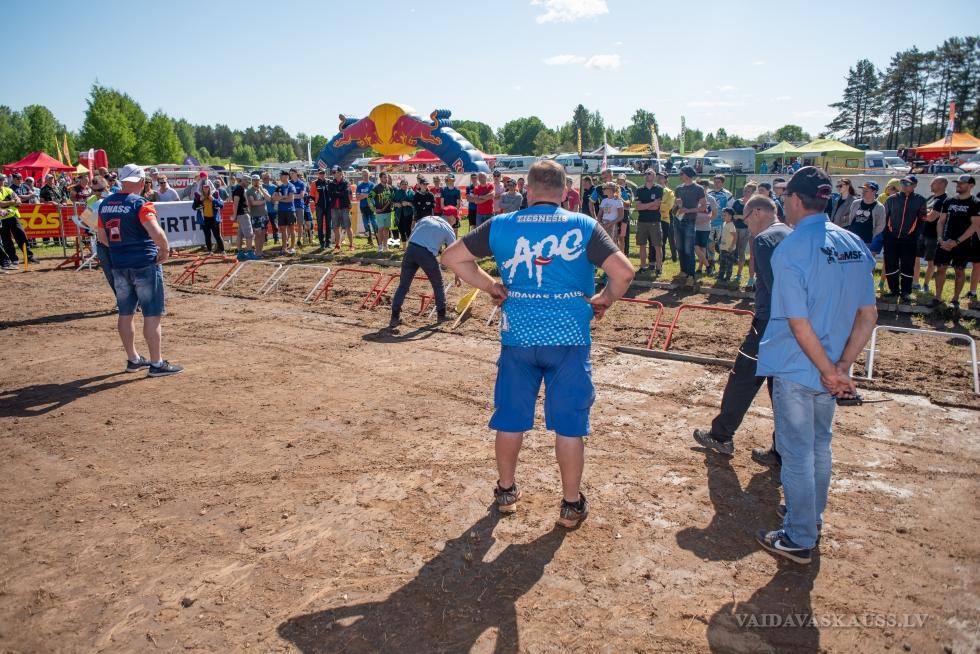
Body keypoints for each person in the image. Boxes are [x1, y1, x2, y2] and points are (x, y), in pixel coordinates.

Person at [442, 159, 635, 528]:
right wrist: (606, 298)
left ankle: (506, 491)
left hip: (518, 339)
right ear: (565, 192)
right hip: (569, 340)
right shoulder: (583, 225)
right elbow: (624, 272)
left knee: (510, 418)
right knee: (570, 426)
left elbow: (452, 258)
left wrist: (491, 286)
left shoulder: (501, 224)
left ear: (527, 191)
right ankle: (571, 505)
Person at [755, 166, 877, 564]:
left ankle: (799, 535)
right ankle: (810, 517)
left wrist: (828, 370)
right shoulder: (854, 243)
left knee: (797, 452)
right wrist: (841, 366)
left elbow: (798, 321)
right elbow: (868, 315)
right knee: (820, 445)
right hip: (833, 368)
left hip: (799, 366)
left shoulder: (791, 248)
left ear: (793, 199)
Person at [693, 195, 791, 460]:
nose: (747, 226)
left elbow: (775, 286)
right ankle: (783, 450)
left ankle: (721, 436)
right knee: (781, 389)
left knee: (742, 379)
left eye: (746, 220)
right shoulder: (790, 233)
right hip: (790, 325)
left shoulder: (764, 239)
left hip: (769, 323)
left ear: (757, 213)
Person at [96, 164, 183, 378]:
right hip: (144, 263)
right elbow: (155, 231)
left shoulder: (105, 204)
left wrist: (120, 249)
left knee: (125, 313)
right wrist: (165, 249)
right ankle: (156, 363)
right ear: (142, 182)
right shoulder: (140, 203)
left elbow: (102, 237)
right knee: (152, 314)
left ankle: (133, 359)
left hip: (119, 264)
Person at [387, 207, 458, 329]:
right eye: (456, 219)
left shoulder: (426, 218)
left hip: (410, 250)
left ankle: (394, 317)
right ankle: (441, 314)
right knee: (438, 284)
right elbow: (455, 252)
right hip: (426, 254)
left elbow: (413, 233)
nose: (455, 221)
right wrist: (457, 274)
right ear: (451, 217)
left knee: (403, 285)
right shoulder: (447, 228)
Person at [932, 175, 979, 309]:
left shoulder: (975, 203)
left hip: (963, 243)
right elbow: (941, 221)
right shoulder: (949, 200)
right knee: (940, 268)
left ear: (971, 185)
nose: (958, 185)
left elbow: (975, 226)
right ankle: (937, 297)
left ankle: (955, 299)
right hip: (945, 241)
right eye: (957, 183)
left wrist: (956, 242)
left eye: (962, 183)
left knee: (959, 270)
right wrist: (940, 239)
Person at [882, 175, 927, 302]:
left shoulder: (920, 200)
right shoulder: (891, 199)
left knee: (908, 265)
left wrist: (915, 236)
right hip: (891, 238)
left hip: (909, 239)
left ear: (914, 185)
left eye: (908, 183)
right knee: (891, 264)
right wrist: (887, 234)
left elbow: (922, 219)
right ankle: (894, 290)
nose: (904, 185)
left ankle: (906, 292)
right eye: (903, 183)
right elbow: (884, 217)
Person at [673, 165, 706, 281]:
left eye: (681, 173)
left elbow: (703, 207)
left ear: (687, 175)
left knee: (688, 249)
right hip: (677, 221)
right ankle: (683, 271)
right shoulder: (678, 188)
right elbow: (674, 208)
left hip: (689, 222)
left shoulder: (698, 189)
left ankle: (691, 275)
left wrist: (688, 210)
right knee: (680, 248)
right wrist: (677, 205)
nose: (680, 175)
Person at [917, 177, 948, 294]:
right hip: (922, 233)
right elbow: (924, 213)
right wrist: (924, 213)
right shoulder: (930, 198)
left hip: (934, 235)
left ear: (942, 184)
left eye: (933, 183)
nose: (930, 184)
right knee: (915, 258)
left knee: (931, 262)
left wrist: (921, 214)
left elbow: (931, 217)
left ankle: (925, 285)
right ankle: (915, 283)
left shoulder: (944, 200)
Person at [634, 169, 663, 275]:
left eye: (649, 173)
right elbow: (638, 207)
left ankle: (659, 268)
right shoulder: (639, 189)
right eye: (645, 174)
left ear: (654, 176)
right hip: (642, 221)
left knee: (657, 246)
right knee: (642, 245)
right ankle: (642, 266)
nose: (646, 175)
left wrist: (645, 206)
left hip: (655, 221)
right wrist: (652, 203)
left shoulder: (659, 188)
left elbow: (657, 206)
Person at [730, 182, 756, 285]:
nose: (745, 193)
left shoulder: (753, 204)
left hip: (746, 230)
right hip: (734, 228)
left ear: (753, 192)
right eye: (745, 190)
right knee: (731, 250)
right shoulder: (737, 202)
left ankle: (739, 274)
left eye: (748, 191)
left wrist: (740, 217)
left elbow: (752, 217)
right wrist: (737, 217)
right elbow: (732, 214)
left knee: (741, 251)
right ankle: (728, 273)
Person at [707, 175, 733, 270]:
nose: (716, 184)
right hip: (710, 223)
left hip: (722, 224)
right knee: (710, 245)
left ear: (722, 183)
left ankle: (723, 266)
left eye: (718, 182)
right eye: (715, 182)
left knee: (721, 245)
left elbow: (731, 209)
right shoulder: (709, 193)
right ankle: (711, 265)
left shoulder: (727, 194)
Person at [192, 183, 225, 254]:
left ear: (210, 188)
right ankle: (210, 251)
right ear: (202, 188)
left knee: (217, 236)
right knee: (207, 236)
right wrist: (199, 200)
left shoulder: (215, 194)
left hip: (214, 219)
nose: (206, 188)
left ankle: (223, 251)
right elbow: (194, 207)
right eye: (204, 187)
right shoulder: (198, 196)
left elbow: (222, 205)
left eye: (207, 187)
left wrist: (213, 200)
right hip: (204, 220)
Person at [327, 166, 354, 252]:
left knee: (348, 226)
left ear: (340, 173)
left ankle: (351, 245)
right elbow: (330, 194)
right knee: (336, 227)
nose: (333, 174)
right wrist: (339, 193)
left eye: (335, 172)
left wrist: (336, 193)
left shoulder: (346, 183)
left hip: (344, 207)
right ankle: (338, 244)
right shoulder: (331, 183)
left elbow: (345, 193)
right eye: (333, 172)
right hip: (334, 208)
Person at [694, 179, 718, 276]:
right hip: (694, 227)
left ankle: (700, 268)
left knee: (702, 247)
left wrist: (705, 220)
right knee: (695, 247)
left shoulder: (711, 199)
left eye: (703, 187)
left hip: (705, 227)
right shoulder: (694, 197)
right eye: (699, 187)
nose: (701, 189)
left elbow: (714, 214)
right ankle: (708, 266)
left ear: (707, 187)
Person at [245, 174, 270, 258]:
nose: (256, 182)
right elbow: (253, 203)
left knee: (263, 234)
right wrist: (264, 201)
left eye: (257, 180)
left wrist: (262, 190)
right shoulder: (249, 191)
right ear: (252, 181)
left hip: (264, 215)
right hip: (255, 215)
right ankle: (257, 252)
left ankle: (260, 251)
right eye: (254, 180)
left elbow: (269, 199)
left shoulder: (263, 190)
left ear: (260, 181)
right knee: (258, 234)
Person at [368, 173, 394, 252]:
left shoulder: (390, 188)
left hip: (388, 212)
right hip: (379, 212)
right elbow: (369, 198)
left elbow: (392, 198)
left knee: (386, 229)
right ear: (380, 178)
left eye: (386, 177)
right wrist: (374, 209)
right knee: (380, 229)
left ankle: (385, 246)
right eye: (384, 177)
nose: (386, 179)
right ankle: (380, 247)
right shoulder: (376, 188)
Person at [273, 171, 297, 255]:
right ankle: (284, 248)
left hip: (290, 210)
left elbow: (291, 199)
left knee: (292, 229)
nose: (280, 177)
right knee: (283, 230)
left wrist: (280, 199)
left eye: (281, 176)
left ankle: (292, 247)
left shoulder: (291, 186)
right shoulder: (279, 187)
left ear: (286, 177)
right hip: (281, 210)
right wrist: (283, 197)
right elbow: (274, 198)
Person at [231, 173, 253, 260]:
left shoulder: (240, 189)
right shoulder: (239, 189)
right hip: (243, 214)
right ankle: (250, 253)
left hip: (241, 214)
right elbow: (235, 203)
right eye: (248, 182)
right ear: (243, 180)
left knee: (240, 234)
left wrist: (235, 215)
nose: (248, 184)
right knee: (249, 234)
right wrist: (234, 215)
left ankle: (240, 253)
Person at [656, 171, 676, 263]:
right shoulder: (654, 189)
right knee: (660, 240)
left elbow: (668, 207)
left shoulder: (669, 192)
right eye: (658, 177)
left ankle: (674, 257)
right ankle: (661, 258)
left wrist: (655, 205)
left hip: (667, 217)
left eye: (661, 177)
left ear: (666, 179)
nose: (659, 179)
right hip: (656, 218)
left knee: (671, 238)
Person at [356, 170, 377, 248]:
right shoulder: (359, 186)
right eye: (364, 175)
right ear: (362, 175)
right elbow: (357, 198)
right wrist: (367, 195)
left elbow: (372, 196)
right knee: (366, 225)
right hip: (363, 207)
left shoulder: (372, 185)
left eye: (366, 174)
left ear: (369, 175)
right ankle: (369, 240)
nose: (365, 176)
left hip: (371, 206)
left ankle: (378, 240)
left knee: (374, 223)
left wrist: (363, 195)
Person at [716, 208, 737, 282]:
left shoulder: (731, 225)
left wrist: (732, 246)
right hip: (723, 248)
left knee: (729, 264)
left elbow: (735, 236)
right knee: (722, 263)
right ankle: (720, 276)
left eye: (725, 215)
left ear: (730, 216)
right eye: (723, 215)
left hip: (729, 249)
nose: (723, 217)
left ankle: (728, 277)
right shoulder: (724, 223)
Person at [312, 169, 331, 250]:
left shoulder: (329, 182)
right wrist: (317, 202)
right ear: (318, 174)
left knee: (328, 224)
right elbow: (312, 195)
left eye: (323, 173)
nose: (322, 175)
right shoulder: (314, 183)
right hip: (319, 207)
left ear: (325, 174)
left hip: (328, 206)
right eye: (320, 173)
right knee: (320, 225)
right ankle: (321, 243)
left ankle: (328, 242)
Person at [289, 169, 309, 247]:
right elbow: (286, 195)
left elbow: (301, 195)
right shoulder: (289, 183)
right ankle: (290, 240)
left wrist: (291, 196)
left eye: (292, 173)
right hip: (290, 207)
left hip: (300, 206)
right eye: (290, 173)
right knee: (291, 225)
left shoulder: (301, 183)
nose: (291, 175)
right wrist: (294, 196)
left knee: (300, 224)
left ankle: (299, 240)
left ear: (296, 173)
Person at [392, 179, 415, 247]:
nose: (404, 185)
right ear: (400, 185)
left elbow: (415, 204)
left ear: (407, 185)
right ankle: (404, 246)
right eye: (403, 184)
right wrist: (396, 204)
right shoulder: (397, 192)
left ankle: (410, 246)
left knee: (408, 231)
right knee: (401, 231)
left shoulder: (411, 193)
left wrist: (408, 203)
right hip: (399, 215)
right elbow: (392, 202)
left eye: (405, 184)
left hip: (408, 214)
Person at [616, 174, 634, 255]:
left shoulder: (628, 190)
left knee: (624, 237)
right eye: (618, 180)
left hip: (624, 217)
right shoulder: (614, 189)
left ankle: (625, 255)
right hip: (615, 216)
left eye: (622, 180)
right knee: (615, 237)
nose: (620, 182)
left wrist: (620, 198)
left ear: (625, 181)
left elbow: (628, 204)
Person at [261, 172, 280, 245]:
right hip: (263, 210)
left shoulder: (274, 187)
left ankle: (276, 239)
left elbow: (277, 198)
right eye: (264, 178)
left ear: (269, 178)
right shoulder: (260, 187)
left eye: (266, 178)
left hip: (273, 210)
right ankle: (265, 240)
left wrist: (276, 207)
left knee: (275, 225)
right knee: (264, 226)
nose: (265, 180)